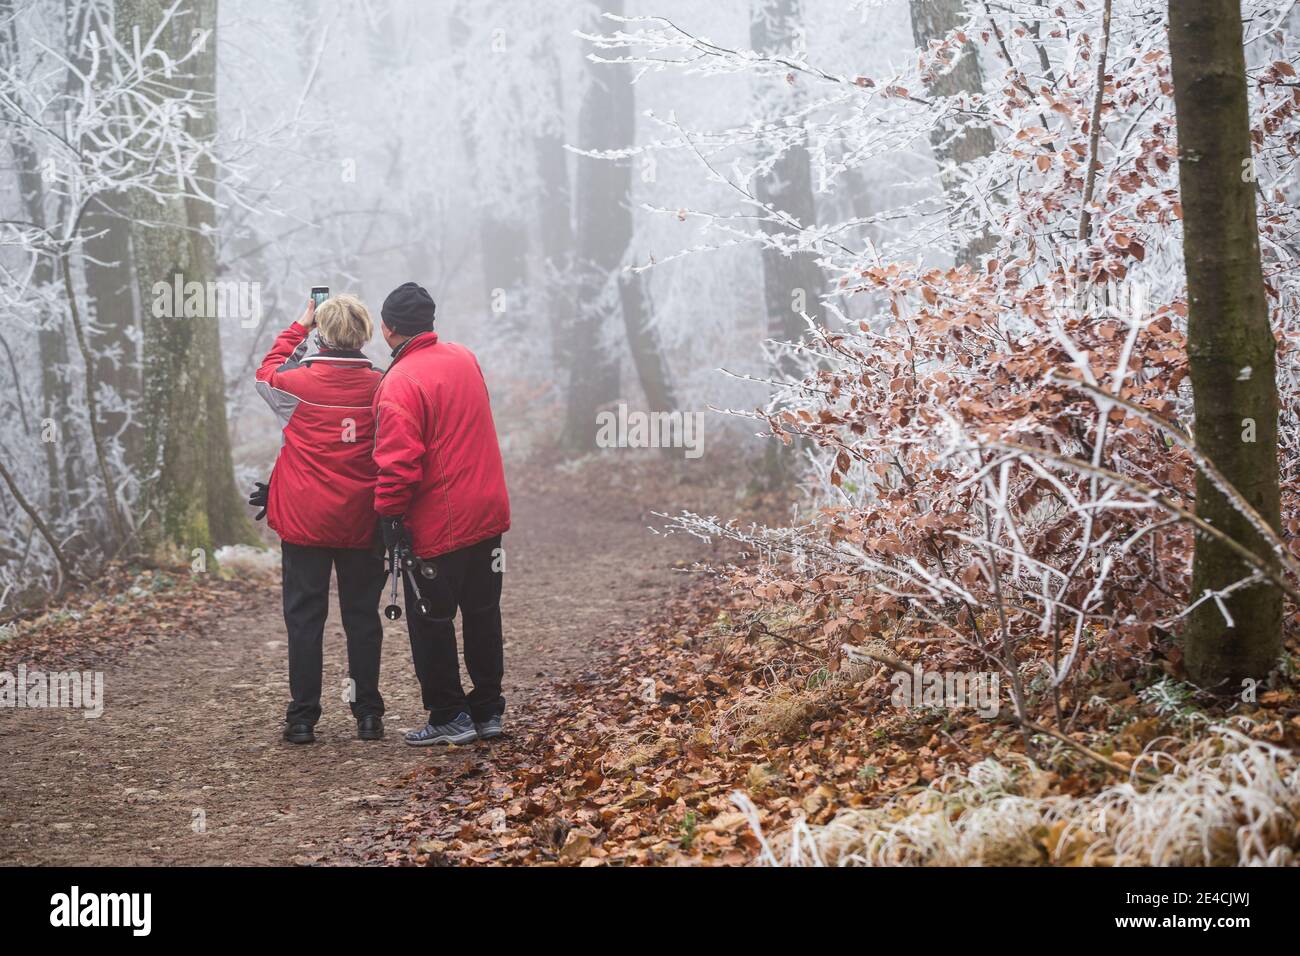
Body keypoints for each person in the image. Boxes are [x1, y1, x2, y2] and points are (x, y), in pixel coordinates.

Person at [372, 281, 511, 746]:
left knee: (431, 618)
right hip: (485, 512)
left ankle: (449, 713)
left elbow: (398, 464)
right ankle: (488, 709)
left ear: (388, 329)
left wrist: (389, 518)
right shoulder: (465, 358)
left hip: (437, 523)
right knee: (483, 612)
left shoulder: (399, 382)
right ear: (429, 322)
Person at [253, 294, 386, 745]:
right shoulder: (383, 386)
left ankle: (303, 718)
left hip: (306, 520)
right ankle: (368, 714)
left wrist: (299, 327)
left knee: (305, 618)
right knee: (362, 616)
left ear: (322, 335)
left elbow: (265, 371)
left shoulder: (295, 384)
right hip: (363, 519)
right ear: (365, 333)